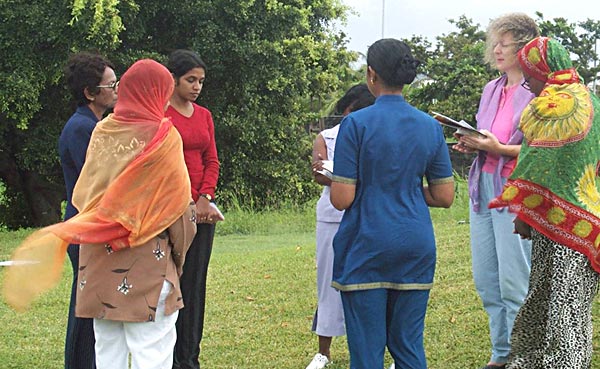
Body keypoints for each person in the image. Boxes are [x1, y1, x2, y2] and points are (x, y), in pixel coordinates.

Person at [3, 59, 197, 369]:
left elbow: (86, 196)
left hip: (97, 262)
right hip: (149, 264)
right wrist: (180, 257)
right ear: (160, 93)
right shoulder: (164, 137)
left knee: (107, 355)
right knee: (153, 355)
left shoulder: (102, 131)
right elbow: (178, 210)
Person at [330, 38, 455, 369]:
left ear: (371, 74)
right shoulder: (430, 126)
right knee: (408, 346)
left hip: (365, 245)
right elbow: (444, 196)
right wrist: (411, 192)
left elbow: (342, 198)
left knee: (367, 353)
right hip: (415, 244)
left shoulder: (355, 124)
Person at [490, 36, 600, 368]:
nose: (526, 82)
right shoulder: (592, 100)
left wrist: (523, 214)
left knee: (549, 304)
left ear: (544, 70)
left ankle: (536, 362)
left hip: (556, 225)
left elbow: (533, 163)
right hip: (588, 223)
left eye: (529, 74)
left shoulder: (547, 106)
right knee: (571, 307)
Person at [453, 13, 539, 369]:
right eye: (496, 42)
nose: (497, 48)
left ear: (525, 46)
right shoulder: (492, 88)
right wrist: (473, 143)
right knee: (487, 278)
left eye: (506, 42)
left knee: (514, 280)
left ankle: (522, 356)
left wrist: (499, 148)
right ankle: (500, 354)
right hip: (482, 186)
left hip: (514, 190)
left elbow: (543, 148)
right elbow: (488, 136)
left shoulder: (539, 92)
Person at [306, 84, 375, 369]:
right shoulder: (327, 136)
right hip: (333, 214)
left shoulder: (375, 134)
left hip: (368, 213)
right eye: (349, 113)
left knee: (371, 281)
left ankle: (376, 346)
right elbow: (319, 173)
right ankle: (324, 351)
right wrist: (334, 173)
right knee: (329, 281)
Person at [59, 52, 118, 369]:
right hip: (84, 228)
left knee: (90, 305)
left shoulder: (95, 124)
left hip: (89, 227)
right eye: (111, 84)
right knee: (85, 309)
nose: (116, 89)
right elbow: (95, 183)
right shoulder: (82, 128)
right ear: (90, 92)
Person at [166, 49, 221, 369]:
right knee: (168, 285)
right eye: (190, 79)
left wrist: (205, 197)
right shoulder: (160, 115)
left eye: (201, 81)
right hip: (170, 211)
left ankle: (188, 359)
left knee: (194, 285)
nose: (197, 86)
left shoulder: (204, 115)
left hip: (202, 211)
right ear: (172, 79)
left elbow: (211, 160)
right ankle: (165, 355)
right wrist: (184, 200)